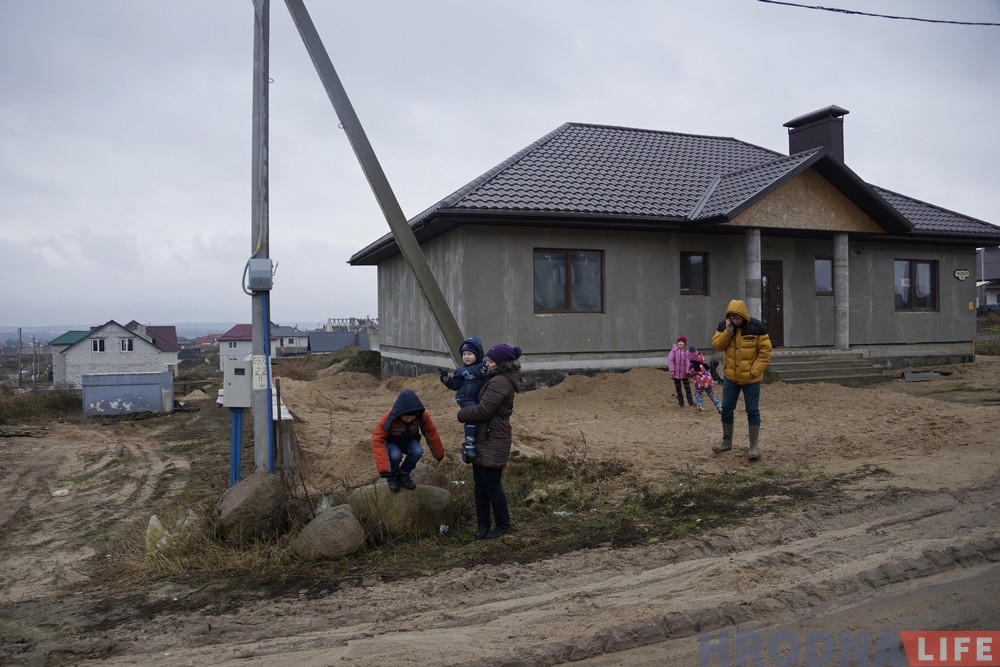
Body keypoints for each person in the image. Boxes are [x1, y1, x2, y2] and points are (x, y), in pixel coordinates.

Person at [457, 342, 522, 540]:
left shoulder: (499, 382)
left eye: (491, 361)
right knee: (480, 484)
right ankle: (483, 525)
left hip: (494, 436)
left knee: (491, 484)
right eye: (488, 359)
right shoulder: (494, 378)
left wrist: (462, 414)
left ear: (501, 363)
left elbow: (484, 410)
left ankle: (503, 525)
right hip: (486, 435)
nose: (487, 363)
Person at [710, 299, 772, 461]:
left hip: (751, 379)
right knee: (726, 408)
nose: (735, 321)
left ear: (743, 316)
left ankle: (753, 447)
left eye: (737, 318)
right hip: (731, 378)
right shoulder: (724, 326)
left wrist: (754, 371)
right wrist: (728, 332)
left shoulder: (757, 328)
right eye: (732, 318)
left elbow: (765, 353)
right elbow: (717, 345)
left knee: (752, 410)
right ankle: (726, 442)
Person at [371, 389, 445, 492]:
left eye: (412, 417)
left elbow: (431, 432)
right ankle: (393, 477)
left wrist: (439, 454)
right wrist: (384, 469)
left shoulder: (422, 415)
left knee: (417, 451)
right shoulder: (388, 418)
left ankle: (404, 474)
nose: (409, 420)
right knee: (395, 455)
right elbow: (377, 439)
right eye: (406, 417)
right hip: (392, 442)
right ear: (399, 413)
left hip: (409, 441)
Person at [439, 336, 487, 463]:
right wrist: (446, 379)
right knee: (472, 416)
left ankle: (475, 440)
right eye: (464, 354)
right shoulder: (460, 370)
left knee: (482, 417)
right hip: (465, 398)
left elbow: (482, 371)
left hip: (478, 398)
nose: (466, 357)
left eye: (469, 354)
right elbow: (455, 385)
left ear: (478, 355)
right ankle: (469, 443)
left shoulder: (483, 367)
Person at [688, 345, 722, 414]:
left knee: (698, 393)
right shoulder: (702, 360)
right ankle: (719, 406)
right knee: (711, 393)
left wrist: (688, 373)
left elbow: (692, 373)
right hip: (708, 379)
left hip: (700, 381)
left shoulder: (693, 364)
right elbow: (707, 368)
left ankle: (701, 406)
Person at [666, 335, 695, 408]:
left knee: (687, 388)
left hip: (684, 374)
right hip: (675, 374)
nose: (681, 343)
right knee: (678, 389)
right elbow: (670, 360)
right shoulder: (674, 350)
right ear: (677, 342)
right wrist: (672, 370)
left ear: (685, 343)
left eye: (682, 342)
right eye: (679, 342)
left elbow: (687, 362)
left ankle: (690, 402)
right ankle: (681, 403)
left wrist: (687, 370)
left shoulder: (686, 352)